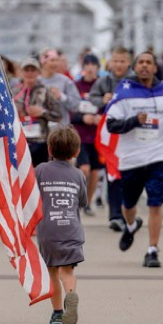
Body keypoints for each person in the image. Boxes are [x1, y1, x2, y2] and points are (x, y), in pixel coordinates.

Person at [105, 51, 163, 268]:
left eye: (149, 63)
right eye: (141, 63)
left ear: (155, 68)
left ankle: (152, 249)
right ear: (135, 67)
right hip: (131, 159)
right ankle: (131, 225)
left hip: (158, 156)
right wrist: (134, 120)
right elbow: (112, 125)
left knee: (155, 204)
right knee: (128, 205)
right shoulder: (125, 92)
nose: (145, 66)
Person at [34, 127, 87, 324]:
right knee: (67, 272)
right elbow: (83, 202)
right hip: (71, 230)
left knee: (52, 273)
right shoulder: (78, 174)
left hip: (48, 231)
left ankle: (57, 314)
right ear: (77, 151)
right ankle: (71, 295)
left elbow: (31, 194)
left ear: (49, 149)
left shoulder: (40, 170)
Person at [89, 47, 134, 231]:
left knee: (129, 176)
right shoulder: (104, 81)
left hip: (131, 135)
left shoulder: (135, 81)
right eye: (115, 61)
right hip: (111, 136)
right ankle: (115, 215)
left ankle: (127, 212)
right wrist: (102, 100)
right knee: (112, 174)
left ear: (128, 63)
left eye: (122, 61)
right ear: (110, 62)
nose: (118, 64)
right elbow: (92, 98)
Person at [12, 57, 63, 166]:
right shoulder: (13, 92)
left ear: (38, 72)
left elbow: (59, 115)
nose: (29, 73)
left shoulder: (45, 91)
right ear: (21, 72)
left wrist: (43, 112)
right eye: (26, 70)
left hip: (40, 143)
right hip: (19, 142)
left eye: (33, 70)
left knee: (40, 177)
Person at [72, 54, 103, 217]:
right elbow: (70, 110)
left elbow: (109, 107)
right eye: (87, 65)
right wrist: (83, 117)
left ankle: (88, 203)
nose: (90, 68)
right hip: (81, 135)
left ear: (98, 68)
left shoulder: (103, 86)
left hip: (97, 136)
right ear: (83, 68)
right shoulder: (76, 86)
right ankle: (76, 200)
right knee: (84, 169)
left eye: (93, 65)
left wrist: (101, 118)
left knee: (96, 173)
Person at [39, 48, 81, 126]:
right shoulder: (36, 81)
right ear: (43, 62)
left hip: (61, 130)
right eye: (52, 60)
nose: (55, 63)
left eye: (57, 60)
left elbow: (76, 105)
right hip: (40, 131)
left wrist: (62, 96)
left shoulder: (65, 81)